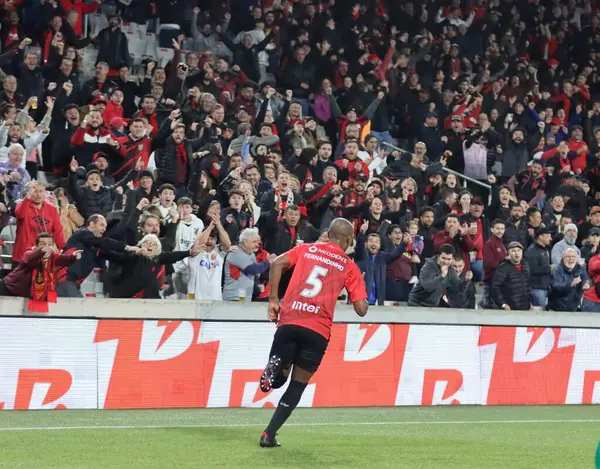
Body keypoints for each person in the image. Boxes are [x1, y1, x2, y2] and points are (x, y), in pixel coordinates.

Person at [259, 218, 368, 448]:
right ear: (348, 240)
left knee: (278, 380)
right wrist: (361, 290)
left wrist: (272, 301)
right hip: (317, 330)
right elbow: (361, 310)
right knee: (297, 385)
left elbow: (277, 263)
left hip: (289, 320)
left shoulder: (306, 249)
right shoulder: (349, 265)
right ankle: (269, 434)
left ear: (328, 234)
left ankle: (279, 366)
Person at [490, 242, 531, 311]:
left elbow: (528, 285)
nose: (517, 253)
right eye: (513, 251)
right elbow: (495, 287)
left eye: (519, 250)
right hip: (510, 308)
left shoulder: (526, 265)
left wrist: (530, 303)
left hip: (525, 307)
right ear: (508, 253)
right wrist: (502, 304)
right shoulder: (503, 268)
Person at [524, 227, 552, 308]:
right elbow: (532, 269)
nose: (550, 239)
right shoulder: (532, 251)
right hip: (536, 288)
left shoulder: (546, 249)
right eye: (548, 236)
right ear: (541, 237)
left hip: (545, 287)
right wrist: (549, 268)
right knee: (538, 314)